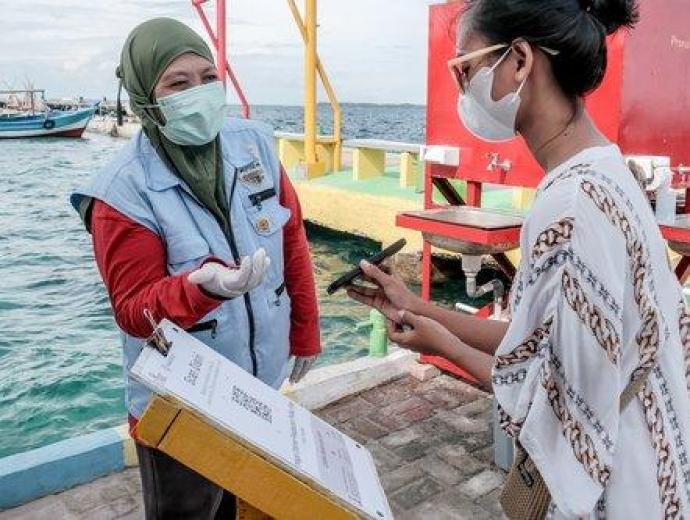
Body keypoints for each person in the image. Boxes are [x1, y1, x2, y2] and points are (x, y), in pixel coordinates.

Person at [348, 0, 690, 517]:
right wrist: (416, 307)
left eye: (466, 67)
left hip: (622, 491)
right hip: (657, 462)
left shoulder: (568, 207)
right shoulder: (605, 170)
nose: (462, 87)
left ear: (521, 60)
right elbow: (538, 344)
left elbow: (554, 403)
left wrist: (442, 345)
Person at [70, 18, 321, 519]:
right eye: (178, 83)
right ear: (145, 98)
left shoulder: (254, 144)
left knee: (246, 505)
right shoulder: (122, 191)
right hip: (182, 406)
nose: (200, 93)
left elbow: (291, 237)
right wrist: (199, 289)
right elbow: (133, 311)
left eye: (208, 78)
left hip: (257, 390)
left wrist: (306, 330)